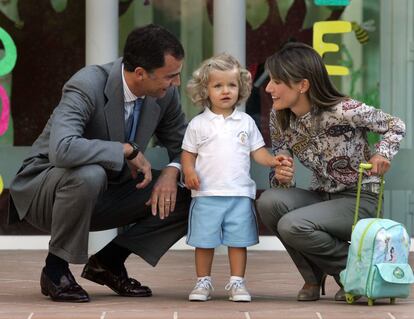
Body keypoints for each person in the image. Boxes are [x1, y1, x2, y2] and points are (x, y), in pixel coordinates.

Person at [8, 24, 191, 302]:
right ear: (140, 73)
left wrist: (171, 171)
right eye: (171, 76)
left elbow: (186, 146)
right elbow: (62, 148)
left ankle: (108, 262)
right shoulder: (87, 84)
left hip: (109, 191)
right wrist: (124, 150)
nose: (176, 83)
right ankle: (55, 270)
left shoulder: (164, 96)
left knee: (187, 196)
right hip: (47, 190)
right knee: (90, 174)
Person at [255, 42, 406, 302]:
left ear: (302, 85)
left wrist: (382, 153)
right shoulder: (279, 117)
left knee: (293, 225)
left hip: (359, 199)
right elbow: (281, 170)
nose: (268, 88)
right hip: (321, 195)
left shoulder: (343, 110)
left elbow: (395, 125)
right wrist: (281, 176)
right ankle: (312, 279)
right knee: (269, 202)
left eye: (277, 81)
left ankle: (355, 273)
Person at [181, 53, 283, 302]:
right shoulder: (198, 124)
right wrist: (189, 172)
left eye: (231, 85)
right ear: (205, 90)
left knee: (238, 243)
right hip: (207, 195)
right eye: (218, 85)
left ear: (241, 88)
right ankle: (202, 282)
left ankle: (237, 282)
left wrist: (272, 160)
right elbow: (187, 154)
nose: (225, 91)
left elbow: (257, 152)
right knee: (204, 243)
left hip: (238, 194)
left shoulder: (246, 122)